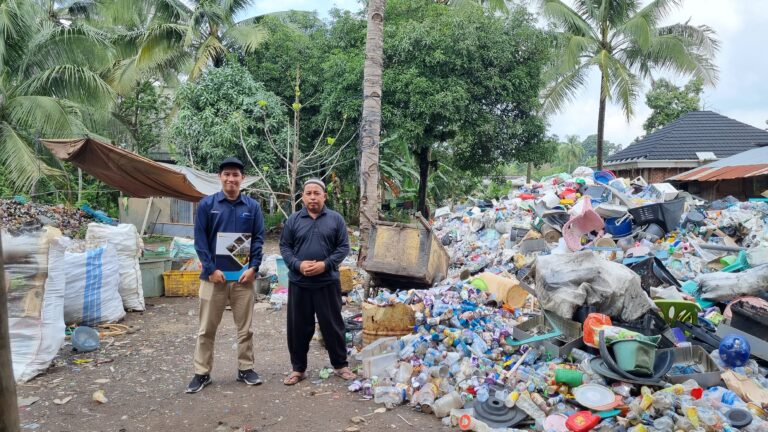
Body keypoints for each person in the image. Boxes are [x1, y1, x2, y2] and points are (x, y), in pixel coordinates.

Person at [186, 157, 265, 394]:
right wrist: (210, 270)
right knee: (206, 329)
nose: (231, 178)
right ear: (220, 177)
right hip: (214, 279)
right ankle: (202, 373)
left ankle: (245, 369)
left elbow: (258, 240)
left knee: (246, 329)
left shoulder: (253, 207)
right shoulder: (206, 205)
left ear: (242, 178)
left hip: (243, 279)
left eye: (236, 175)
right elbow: (200, 242)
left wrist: (253, 268)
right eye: (227, 174)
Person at [279, 178, 356, 385]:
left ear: (324, 196)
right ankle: (298, 369)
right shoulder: (294, 220)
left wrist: (325, 265)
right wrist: (297, 264)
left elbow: (343, 248)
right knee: (298, 327)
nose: (312, 197)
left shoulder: (336, 219)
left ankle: (341, 365)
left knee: (333, 325)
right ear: (303, 197)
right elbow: (285, 247)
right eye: (308, 193)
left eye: (317, 193)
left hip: (327, 282)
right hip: (299, 283)